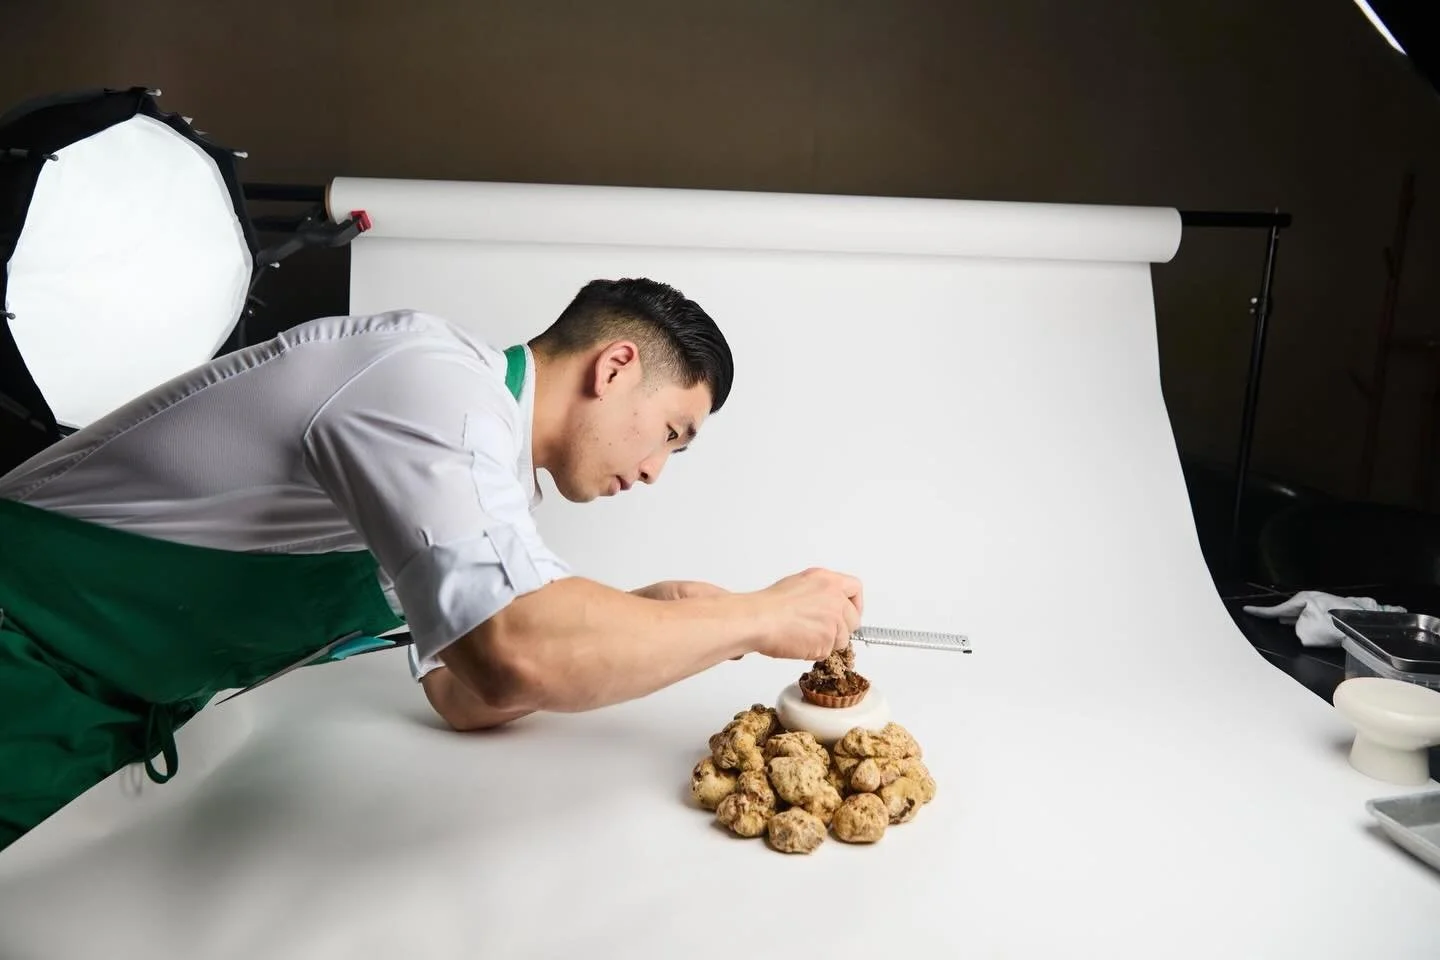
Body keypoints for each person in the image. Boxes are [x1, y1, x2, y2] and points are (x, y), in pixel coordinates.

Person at [0, 276, 863, 851]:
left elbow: (465, 695)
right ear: (616, 365)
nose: (654, 471)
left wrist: (673, 621)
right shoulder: (427, 389)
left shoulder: (488, 477)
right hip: (20, 661)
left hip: (97, 724)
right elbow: (518, 650)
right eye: (671, 434)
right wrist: (761, 614)